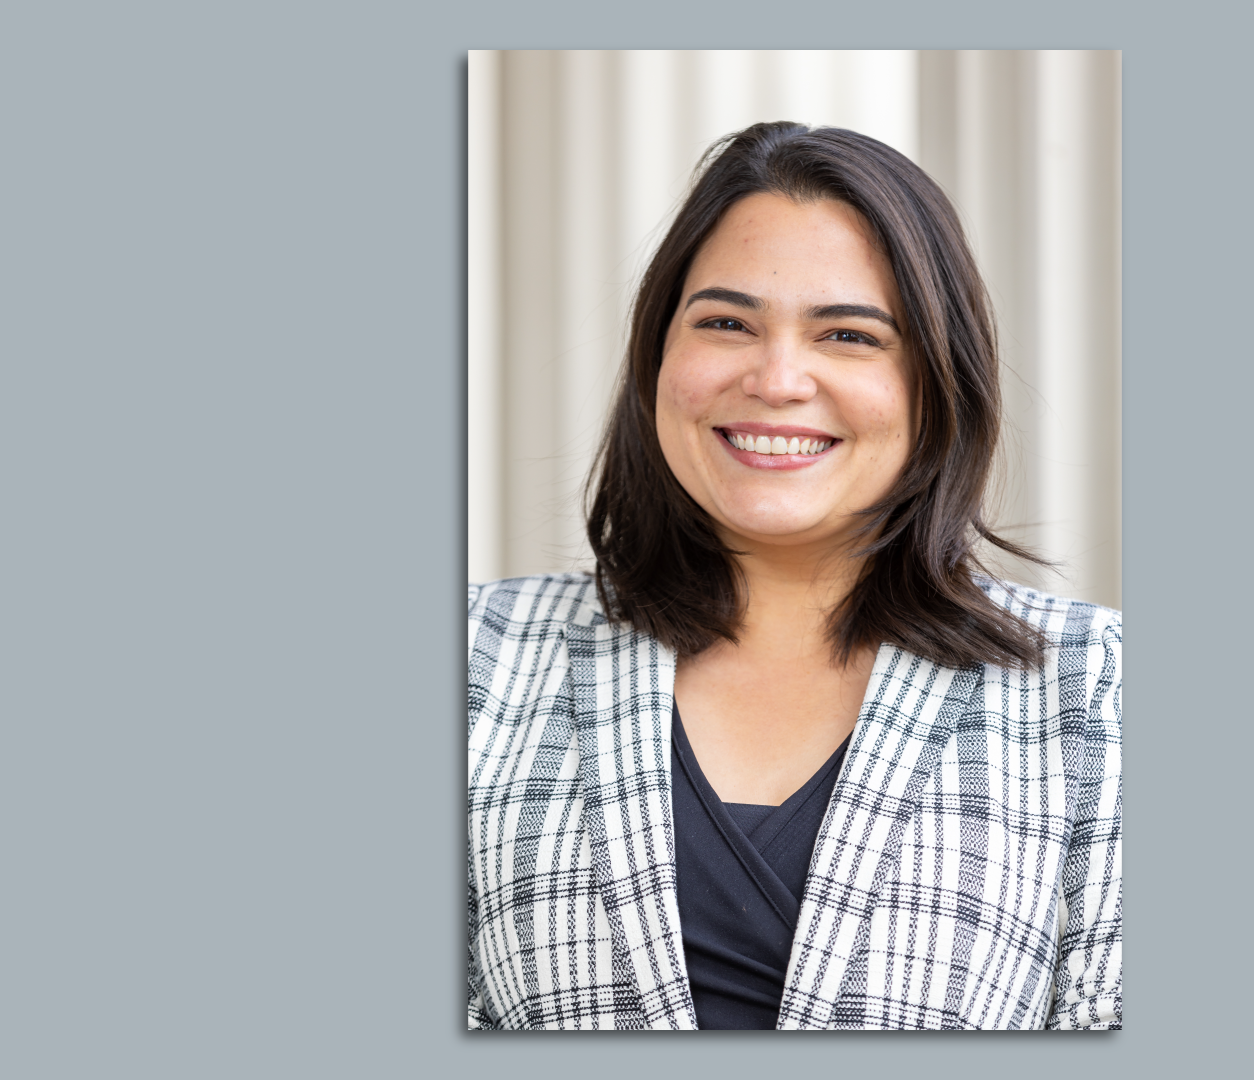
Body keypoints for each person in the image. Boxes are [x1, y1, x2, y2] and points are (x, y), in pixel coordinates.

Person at [466, 121, 1121, 1030]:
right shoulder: (476, 661)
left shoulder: (1101, 691)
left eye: (849, 335)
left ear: (937, 381)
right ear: (659, 357)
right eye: (727, 323)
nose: (777, 380)